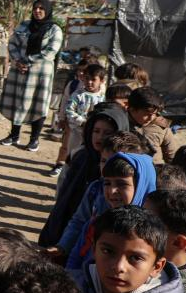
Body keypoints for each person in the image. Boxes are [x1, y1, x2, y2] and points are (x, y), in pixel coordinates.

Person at [38, 106, 129, 248]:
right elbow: (64, 196)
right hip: (69, 221)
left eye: (107, 133)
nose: (99, 137)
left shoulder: (121, 167)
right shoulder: (81, 156)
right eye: (96, 131)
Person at [57, 150, 156, 271]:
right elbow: (76, 257)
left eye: (122, 184)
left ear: (142, 185)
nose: (112, 190)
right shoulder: (98, 222)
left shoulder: (151, 233)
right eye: (107, 183)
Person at [0, 0, 63, 151]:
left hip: (40, 74)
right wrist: (17, 60)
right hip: (19, 70)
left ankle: (34, 140)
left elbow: (50, 52)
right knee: (17, 101)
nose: (38, 11)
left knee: (38, 105)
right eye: (35, 8)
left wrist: (27, 61)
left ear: (47, 11)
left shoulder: (54, 30)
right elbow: (12, 43)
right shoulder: (24, 25)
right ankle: (14, 135)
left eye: (41, 8)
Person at [63, 63, 107, 158]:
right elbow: (69, 111)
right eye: (87, 78)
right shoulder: (77, 95)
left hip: (94, 135)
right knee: (72, 156)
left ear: (102, 81)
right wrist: (82, 122)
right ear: (83, 78)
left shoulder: (103, 98)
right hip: (77, 133)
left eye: (93, 79)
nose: (89, 82)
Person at [128, 87, 177, 164]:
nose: (151, 118)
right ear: (132, 109)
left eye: (154, 114)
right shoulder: (120, 123)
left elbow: (172, 156)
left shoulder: (161, 126)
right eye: (147, 114)